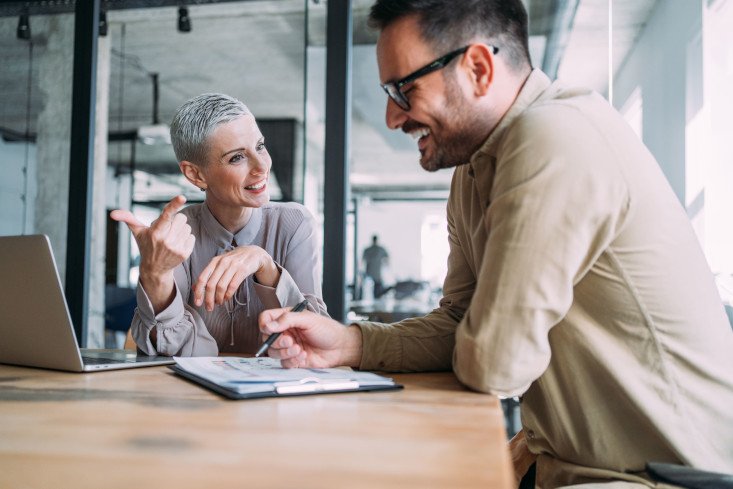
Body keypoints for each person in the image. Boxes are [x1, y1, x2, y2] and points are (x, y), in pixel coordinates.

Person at [258, 0, 733, 487]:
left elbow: (493, 363)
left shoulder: (553, 135)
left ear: (479, 68)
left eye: (404, 88)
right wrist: (352, 342)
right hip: (567, 466)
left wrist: (481, 351)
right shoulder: (472, 170)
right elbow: (462, 326)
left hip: (667, 477)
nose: (391, 117)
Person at [112, 93, 327, 356]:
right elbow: (172, 351)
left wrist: (265, 266)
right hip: (192, 392)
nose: (262, 166)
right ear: (196, 174)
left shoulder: (294, 224)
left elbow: (317, 339)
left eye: (260, 146)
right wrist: (154, 276)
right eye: (237, 157)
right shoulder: (175, 235)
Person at [361, 234, 389, 298]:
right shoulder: (380, 249)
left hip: (371, 271)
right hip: (373, 272)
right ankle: (376, 297)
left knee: (376, 287)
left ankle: (376, 297)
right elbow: (386, 258)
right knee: (376, 287)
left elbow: (363, 260)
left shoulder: (368, 250)